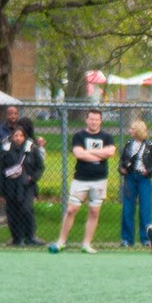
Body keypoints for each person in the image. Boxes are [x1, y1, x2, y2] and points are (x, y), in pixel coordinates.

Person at [49, 108, 117, 254]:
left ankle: (86, 244)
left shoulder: (107, 136)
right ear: (86, 120)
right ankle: (61, 242)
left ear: (101, 121)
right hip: (80, 179)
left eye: (96, 119)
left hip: (99, 180)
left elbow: (110, 152)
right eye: (91, 119)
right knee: (71, 210)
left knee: (94, 211)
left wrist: (89, 152)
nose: (93, 122)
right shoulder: (79, 136)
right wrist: (100, 155)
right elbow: (79, 154)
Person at [0, 121, 45, 247]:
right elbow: (1, 171)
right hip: (10, 186)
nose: (18, 138)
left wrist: (32, 178)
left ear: (25, 137)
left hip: (26, 186)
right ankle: (16, 238)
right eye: (16, 135)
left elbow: (40, 167)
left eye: (21, 136)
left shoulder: (31, 150)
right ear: (12, 137)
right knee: (12, 213)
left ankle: (30, 237)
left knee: (26, 210)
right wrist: (0, 192)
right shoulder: (6, 151)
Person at [117, 118, 152, 249]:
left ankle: (146, 239)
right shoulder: (129, 143)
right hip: (130, 178)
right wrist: (121, 169)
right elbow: (122, 160)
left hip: (144, 179)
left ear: (138, 130)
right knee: (127, 209)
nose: (129, 130)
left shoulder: (150, 145)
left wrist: (149, 171)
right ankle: (127, 239)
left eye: (132, 128)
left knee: (145, 209)